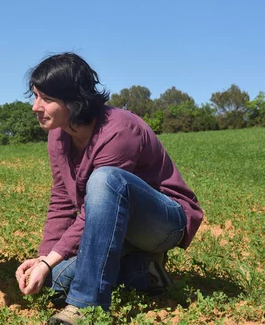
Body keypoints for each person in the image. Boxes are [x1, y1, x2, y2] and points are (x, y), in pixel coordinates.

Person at [15, 53, 203, 324]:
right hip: (111, 224)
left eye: (46, 98)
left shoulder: (118, 130)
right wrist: (44, 257)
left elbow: (100, 201)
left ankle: (86, 307)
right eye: (34, 96)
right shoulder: (58, 135)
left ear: (73, 100)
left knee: (106, 180)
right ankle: (142, 270)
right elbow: (62, 200)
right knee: (54, 279)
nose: (35, 106)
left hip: (163, 222)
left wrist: (48, 262)